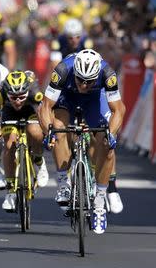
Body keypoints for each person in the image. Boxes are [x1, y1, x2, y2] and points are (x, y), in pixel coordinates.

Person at [38, 48, 126, 234]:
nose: (84, 85)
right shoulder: (62, 70)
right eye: (80, 80)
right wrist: (48, 132)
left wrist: (111, 133)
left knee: (106, 144)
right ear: (75, 73)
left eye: (89, 81)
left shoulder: (107, 74)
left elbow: (119, 110)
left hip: (95, 100)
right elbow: (46, 107)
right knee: (59, 130)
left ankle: (100, 203)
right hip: (66, 97)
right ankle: (63, 184)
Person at [0, 70, 49, 211]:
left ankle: (39, 161)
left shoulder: (34, 91)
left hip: (30, 111)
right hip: (9, 113)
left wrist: (47, 132)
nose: (18, 101)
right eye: (13, 97)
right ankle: (11, 191)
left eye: (21, 97)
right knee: (9, 144)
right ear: (7, 93)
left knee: (35, 133)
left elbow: (45, 112)